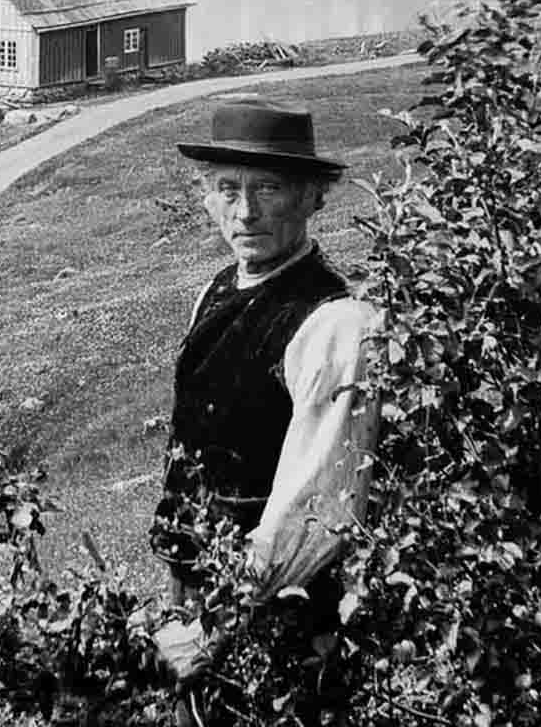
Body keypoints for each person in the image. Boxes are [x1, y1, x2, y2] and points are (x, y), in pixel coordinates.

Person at [149, 100, 379, 724]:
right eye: (228, 189)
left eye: (269, 189)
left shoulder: (336, 324)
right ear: (207, 200)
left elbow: (321, 506)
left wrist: (217, 627)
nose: (244, 211)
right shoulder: (217, 290)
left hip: (280, 614)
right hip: (201, 593)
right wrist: (184, 609)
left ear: (313, 199)